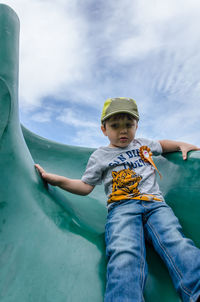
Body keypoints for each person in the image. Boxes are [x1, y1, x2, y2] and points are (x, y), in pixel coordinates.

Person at [35, 97, 200, 302]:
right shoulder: (100, 156)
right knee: (125, 251)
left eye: (129, 125)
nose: (123, 131)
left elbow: (163, 145)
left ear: (137, 126)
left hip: (156, 205)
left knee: (176, 241)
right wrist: (58, 180)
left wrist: (181, 145)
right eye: (115, 126)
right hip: (122, 208)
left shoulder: (143, 144)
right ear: (104, 129)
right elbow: (86, 187)